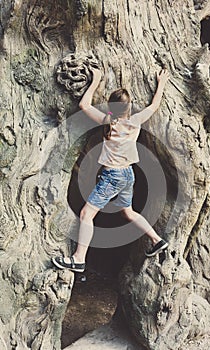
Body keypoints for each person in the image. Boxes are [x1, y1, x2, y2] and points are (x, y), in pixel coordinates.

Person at [52, 67, 170, 273]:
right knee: (128, 212)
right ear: (129, 106)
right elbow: (155, 105)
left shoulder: (108, 122)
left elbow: (84, 104)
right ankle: (157, 240)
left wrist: (96, 79)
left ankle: (79, 259)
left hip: (112, 177)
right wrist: (161, 83)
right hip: (128, 176)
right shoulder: (135, 122)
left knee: (86, 214)